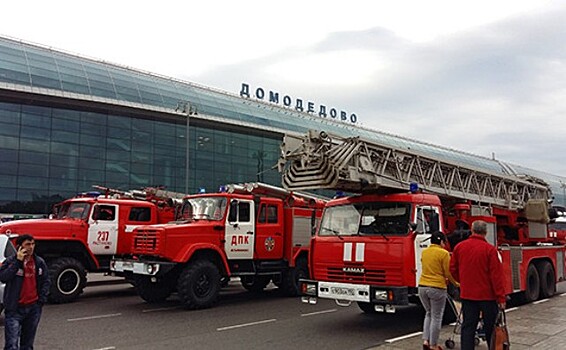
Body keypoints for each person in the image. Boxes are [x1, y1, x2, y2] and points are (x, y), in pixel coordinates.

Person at [450, 220, 506, 350]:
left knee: (468, 326)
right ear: (485, 233)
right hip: (488, 296)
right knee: (490, 327)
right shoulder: (490, 250)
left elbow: (452, 269)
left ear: (472, 230)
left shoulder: (459, 247)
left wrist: (463, 281)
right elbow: (496, 276)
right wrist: (501, 297)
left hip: (468, 294)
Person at [0, 234, 50, 350]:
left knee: (27, 344)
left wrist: (41, 299)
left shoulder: (39, 262)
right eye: (27, 244)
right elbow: (3, 277)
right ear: (20, 247)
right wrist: (18, 262)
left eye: (33, 244)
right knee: (12, 344)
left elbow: (46, 281)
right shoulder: (11, 261)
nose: (31, 247)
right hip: (15, 309)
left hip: (33, 308)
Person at [418, 231, 459, 350]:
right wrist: (455, 283)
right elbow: (448, 272)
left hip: (422, 286)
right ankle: (433, 345)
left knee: (428, 313)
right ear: (441, 241)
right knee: (436, 316)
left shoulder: (425, 252)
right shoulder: (444, 253)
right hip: (436, 287)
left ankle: (426, 340)